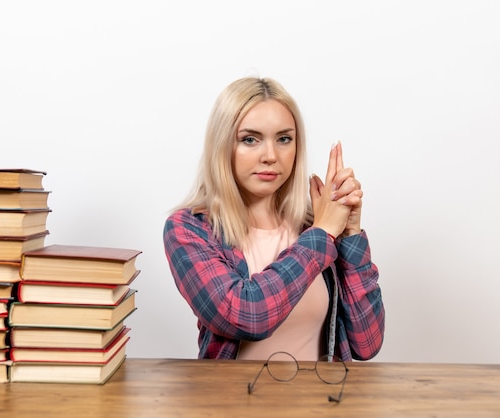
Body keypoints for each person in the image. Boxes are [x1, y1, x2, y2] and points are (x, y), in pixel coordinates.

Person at [162, 76, 385, 361]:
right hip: (229, 404)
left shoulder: (312, 226)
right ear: (222, 146)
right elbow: (246, 316)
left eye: (283, 139)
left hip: (320, 405)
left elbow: (367, 343)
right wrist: (323, 234)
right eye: (250, 139)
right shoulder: (190, 229)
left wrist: (349, 234)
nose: (270, 155)